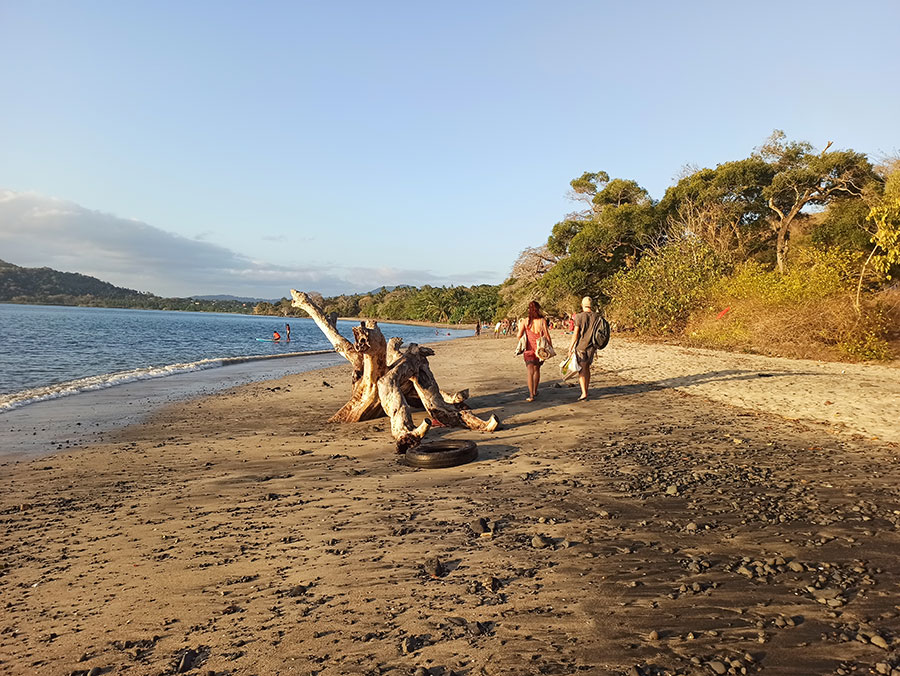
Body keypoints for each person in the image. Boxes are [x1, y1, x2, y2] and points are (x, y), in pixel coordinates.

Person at [516, 300, 552, 402]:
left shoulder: (525, 321)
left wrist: (524, 338)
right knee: (537, 370)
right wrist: (550, 347)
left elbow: (519, 336)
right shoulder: (542, 321)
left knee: (529, 372)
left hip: (529, 350)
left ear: (529, 310)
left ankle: (531, 395)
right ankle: (535, 391)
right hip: (540, 350)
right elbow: (547, 335)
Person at [567, 296, 601, 401]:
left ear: (582, 305)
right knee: (587, 368)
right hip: (592, 346)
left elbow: (576, 333)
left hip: (581, 346)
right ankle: (586, 389)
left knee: (581, 369)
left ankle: (584, 392)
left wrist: (570, 346)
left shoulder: (579, 316)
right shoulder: (597, 316)